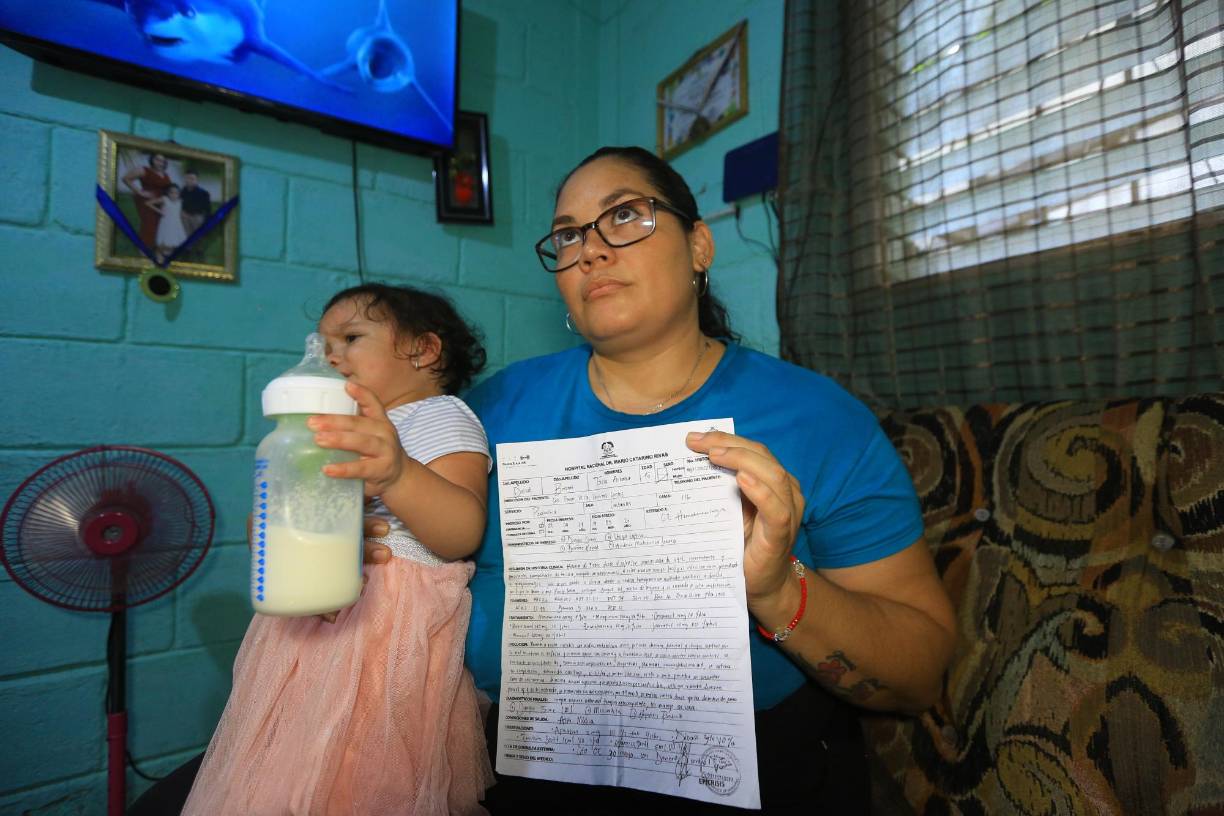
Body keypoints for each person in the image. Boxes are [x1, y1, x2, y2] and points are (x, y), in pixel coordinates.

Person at [447, 145, 958, 813]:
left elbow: (918, 674)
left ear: (699, 247)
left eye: (624, 215)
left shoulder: (817, 419)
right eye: (569, 234)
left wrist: (776, 589)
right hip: (513, 774)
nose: (590, 250)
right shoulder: (492, 412)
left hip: (755, 777)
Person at [179, 283, 496, 815]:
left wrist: (398, 471)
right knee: (288, 757)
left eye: (351, 337)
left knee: (361, 771)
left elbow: (462, 530)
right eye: (326, 344)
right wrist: (275, 528)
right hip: (309, 625)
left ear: (424, 350)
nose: (330, 355)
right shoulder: (326, 430)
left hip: (384, 628)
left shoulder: (438, 415)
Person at [121, 152, 172, 250]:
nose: (160, 162)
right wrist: (139, 192)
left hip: (160, 201)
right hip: (147, 200)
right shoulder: (144, 170)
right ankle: (144, 248)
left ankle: (154, 246)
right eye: (157, 159)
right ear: (152, 160)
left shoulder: (165, 174)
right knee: (149, 223)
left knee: (159, 223)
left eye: (162, 160)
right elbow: (126, 179)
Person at [179, 170, 213, 261]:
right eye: (188, 178)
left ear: (197, 180)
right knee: (186, 234)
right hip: (185, 216)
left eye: (192, 178)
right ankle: (187, 251)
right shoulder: (182, 192)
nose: (190, 180)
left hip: (197, 217)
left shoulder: (203, 193)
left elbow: (208, 209)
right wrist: (182, 212)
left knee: (198, 235)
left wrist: (207, 221)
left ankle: (199, 251)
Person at [150, 184, 188, 264]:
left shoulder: (180, 202)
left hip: (176, 223)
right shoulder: (165, 199)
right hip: (166, 223)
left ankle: (171, 258)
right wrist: (160, 211)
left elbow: (178, 212)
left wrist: (184, 216)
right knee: (165, 241)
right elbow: (149, 203)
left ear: (179, 194)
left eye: (176, 193)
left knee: (175, 242)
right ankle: (159, 258)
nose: (174, 195)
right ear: (168, 193)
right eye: (172, 193)